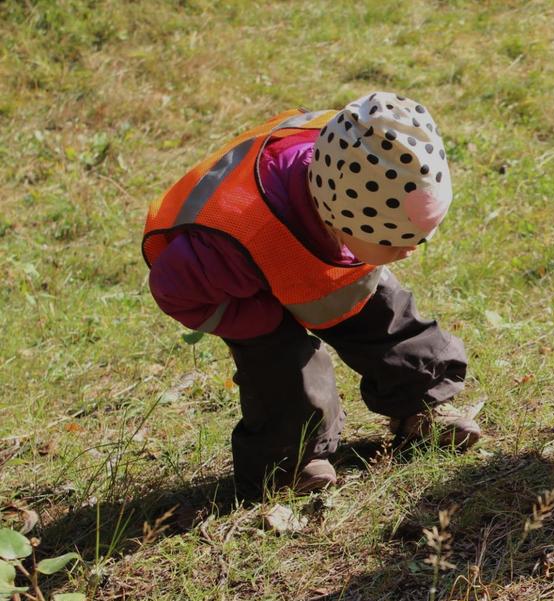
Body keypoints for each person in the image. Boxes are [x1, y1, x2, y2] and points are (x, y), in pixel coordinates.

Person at [143, 92, 481, 500]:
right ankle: (289, 461)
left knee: (383, 313)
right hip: (243, 288)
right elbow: (174, 289)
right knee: (282, 366)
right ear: (341, 218)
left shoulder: (358, 176)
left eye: (416, 240)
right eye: (394, 242)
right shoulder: (229, 239)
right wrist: (261, 321)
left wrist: (370, 250)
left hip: (315, 246)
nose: (408, 251)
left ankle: (423, 403)